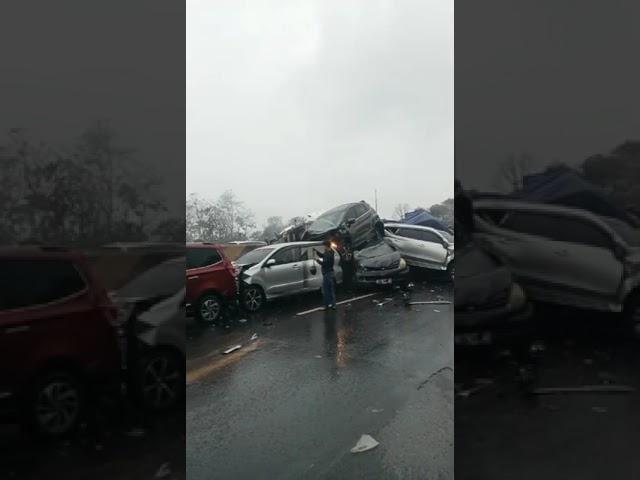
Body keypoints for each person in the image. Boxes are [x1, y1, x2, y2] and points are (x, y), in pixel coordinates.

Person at [315, 239, 337, 310]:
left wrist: (317, 260)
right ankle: (333, 305)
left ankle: (327, 305)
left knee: (325, 290)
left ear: (326, 245)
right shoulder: (330, 252)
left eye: (324, 246)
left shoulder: (328, 253)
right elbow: (323, 256)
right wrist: (317, 253)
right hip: (330, 273)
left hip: (327, 273)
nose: (323, 247)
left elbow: (325, 263)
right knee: (330, 290)